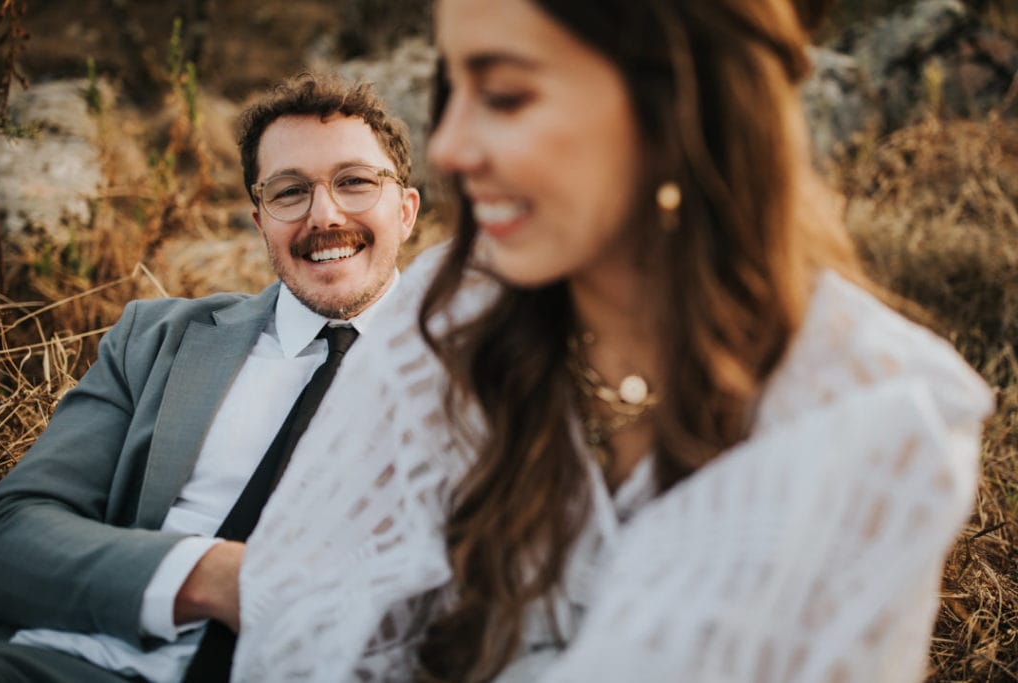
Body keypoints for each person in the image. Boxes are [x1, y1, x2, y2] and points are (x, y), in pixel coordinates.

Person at [233, 1, 994, 681]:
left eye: (505, 95)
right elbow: (299, 633)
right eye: (451, 91)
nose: (452, 147)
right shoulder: (443, 324)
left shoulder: (881, 425)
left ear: (676, 105)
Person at [0, 72, 420, 682]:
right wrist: (213, 577)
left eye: (354, 182)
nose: (324, 215)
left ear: (405, 210)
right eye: (289, 191)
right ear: (258, 220)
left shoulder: (482, 370)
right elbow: (13, 533)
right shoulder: (154, 339)